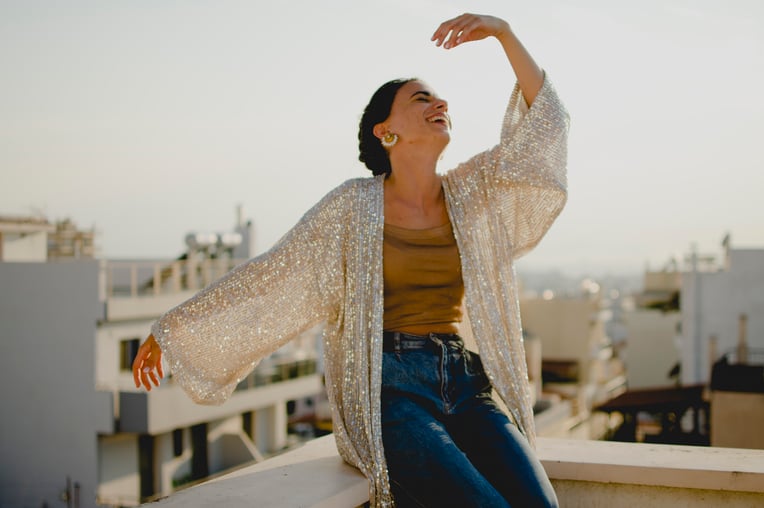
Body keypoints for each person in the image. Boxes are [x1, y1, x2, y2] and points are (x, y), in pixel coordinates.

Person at [133, 12, 567, 508]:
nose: (440, 102)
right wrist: (175, 329)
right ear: (387, 131)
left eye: (439, 97)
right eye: (421, 98)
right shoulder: (352, 207)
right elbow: (271, 276)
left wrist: (503, 33)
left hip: (468, 384)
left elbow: (543, 130)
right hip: (391, 393)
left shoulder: (473, 192)